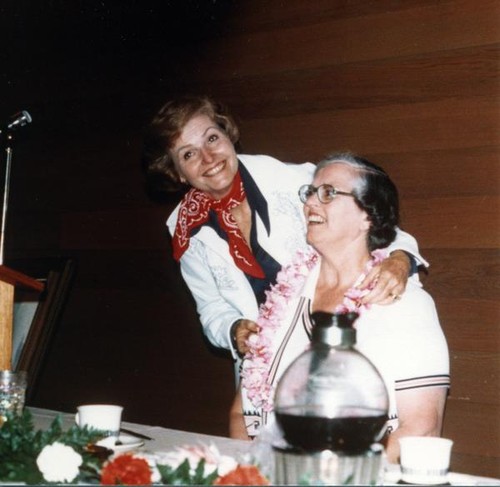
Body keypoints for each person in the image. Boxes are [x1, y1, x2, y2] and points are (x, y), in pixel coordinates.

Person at [141, 95, 426, 370]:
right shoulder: (185, 233)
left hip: (346, 341)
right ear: (176, 173)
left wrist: (399, 259)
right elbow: (212, 308)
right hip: (268, 366)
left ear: (228, 136)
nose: (208, 157)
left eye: (212, 138)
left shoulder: (295, 180)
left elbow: (375, 224)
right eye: (188, 154)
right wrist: (234, 329)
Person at [232, 152, 450, 463]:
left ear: (368, 216)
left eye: (329, 193)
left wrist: (327, 478)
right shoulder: (281, 300)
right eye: (310, 192)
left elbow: (422, 430)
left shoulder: (408, 306)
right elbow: (240, 412)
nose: (310, 203)